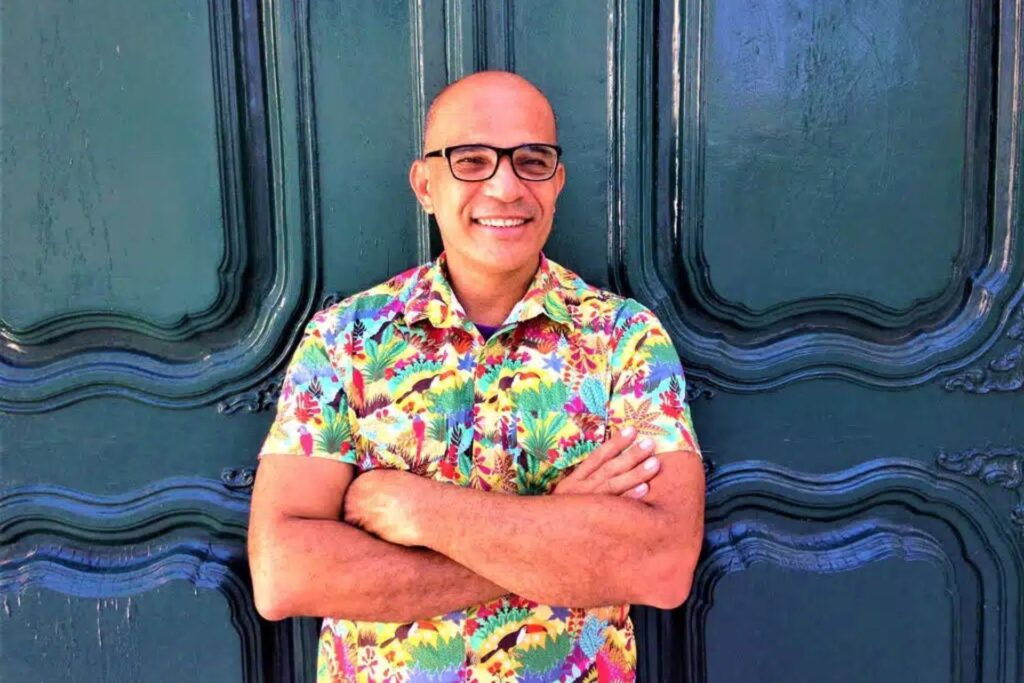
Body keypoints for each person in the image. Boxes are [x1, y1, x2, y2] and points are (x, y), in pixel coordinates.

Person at [248, 70, 705, 683]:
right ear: (425, 185)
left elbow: (660, 566)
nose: (506, 187)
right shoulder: (345, 340)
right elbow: (285, 575)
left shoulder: (626, 339)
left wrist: (422, 511)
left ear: (557, 182)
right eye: (470, 161)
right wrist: (559, 526)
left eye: (532, 161)